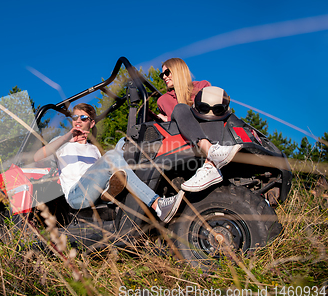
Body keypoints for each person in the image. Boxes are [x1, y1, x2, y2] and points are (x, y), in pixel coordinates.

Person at [34, 103, 183, 224]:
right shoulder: (61, 144)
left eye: (83, 118)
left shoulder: (94, 149)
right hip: (77, 195)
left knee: (122, 143)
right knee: (111, 157)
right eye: (75, 117)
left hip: (96, 190)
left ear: (91, 123)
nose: (78, 121)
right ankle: (157, 204)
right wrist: (68, 137)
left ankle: (110, 190)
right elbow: (38, 157)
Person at [157, 58, 242, 192]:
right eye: (162, 75)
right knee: (180, 109)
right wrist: (166, 118)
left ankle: (210, 163)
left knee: (211, 102)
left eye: (167, 72)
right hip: (185, 141)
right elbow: (174, 123)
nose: (164, 77)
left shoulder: (202, 85)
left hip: (210, 130)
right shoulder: (163, 101)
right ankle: (212, 155)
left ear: (179, 70)